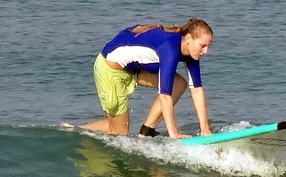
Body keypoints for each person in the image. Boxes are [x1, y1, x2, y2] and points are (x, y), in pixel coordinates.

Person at [81, 18, 213, 139]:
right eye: (203, 46)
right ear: (188, 38)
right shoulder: (170, 49)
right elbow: (164, 96)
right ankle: (77, 131)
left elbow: (197, 90)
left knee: (178, 84)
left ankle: (146, 131)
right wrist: (174, 134)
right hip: (110, 70)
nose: (206, 51)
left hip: (133, 69)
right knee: (118, 132)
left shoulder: (190, 52)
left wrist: (205, 129)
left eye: (208, 46)